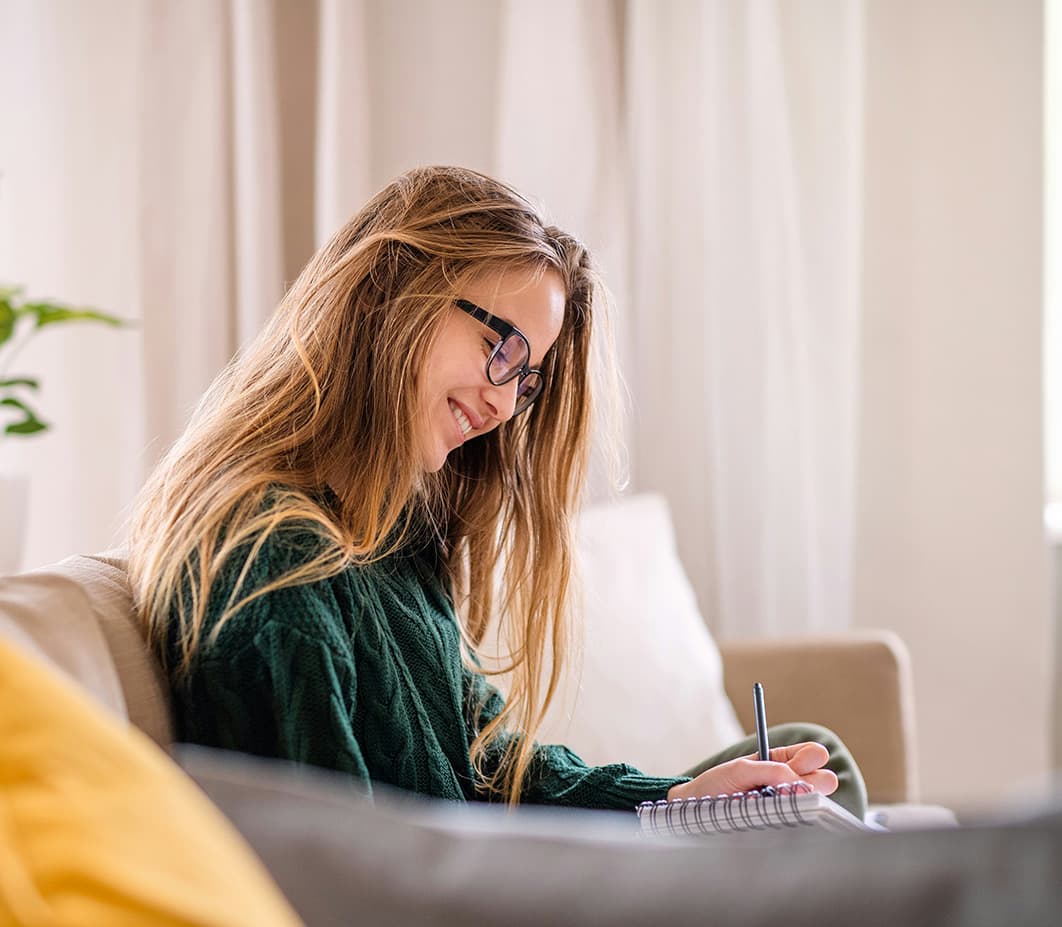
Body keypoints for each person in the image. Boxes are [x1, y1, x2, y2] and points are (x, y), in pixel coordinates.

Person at [127, 165, 866, 816]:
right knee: (801, 804)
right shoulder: (276, 558)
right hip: (462, 895)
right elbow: (338, 872)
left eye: (529, 377)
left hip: (481, 870)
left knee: (804, 762)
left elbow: (485, 765)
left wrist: (670, 800)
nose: (507, 404)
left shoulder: (390, 539)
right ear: (391, 291)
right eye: (499, 347)